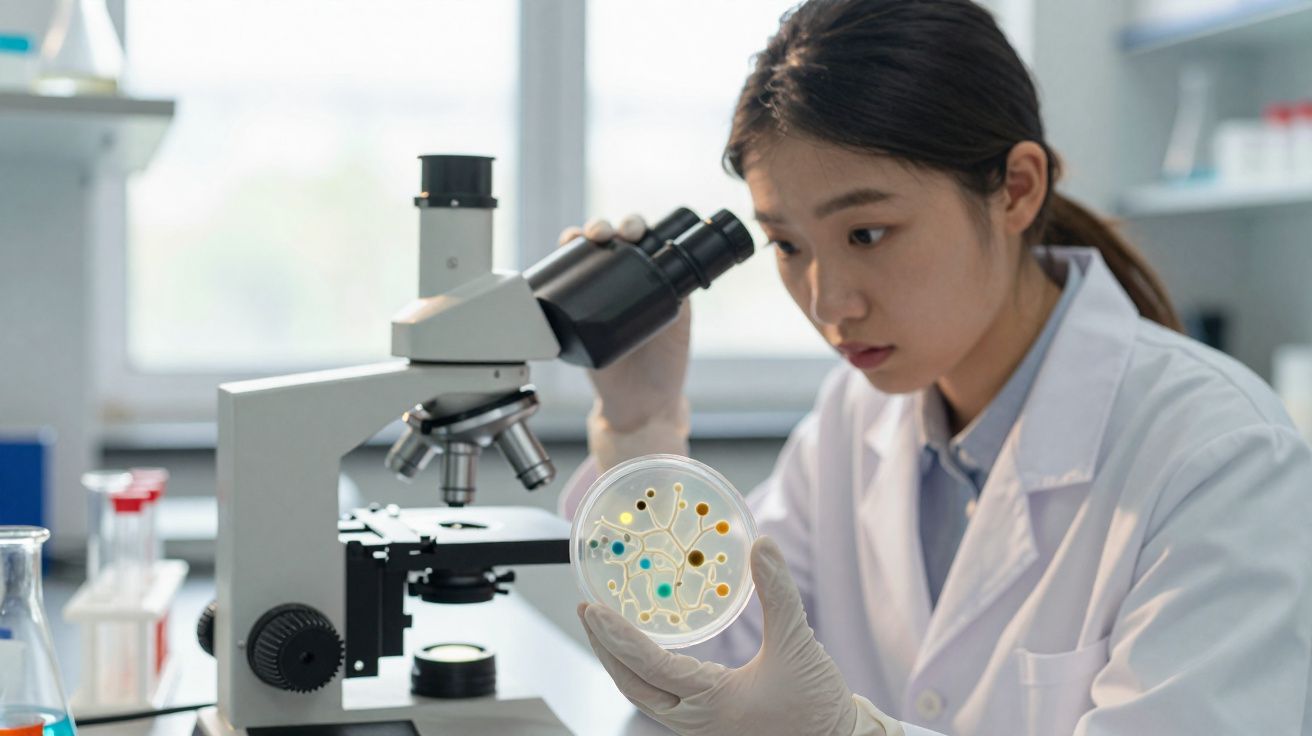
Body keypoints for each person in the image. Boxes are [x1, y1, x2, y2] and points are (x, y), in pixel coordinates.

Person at [556, 1, 1312, 734]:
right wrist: (642, 426)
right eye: (787, 245)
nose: (829, 304)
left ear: (1017, 189)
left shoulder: (1218, 457)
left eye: (869, 232)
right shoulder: (854, 421)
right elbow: (700, 675)